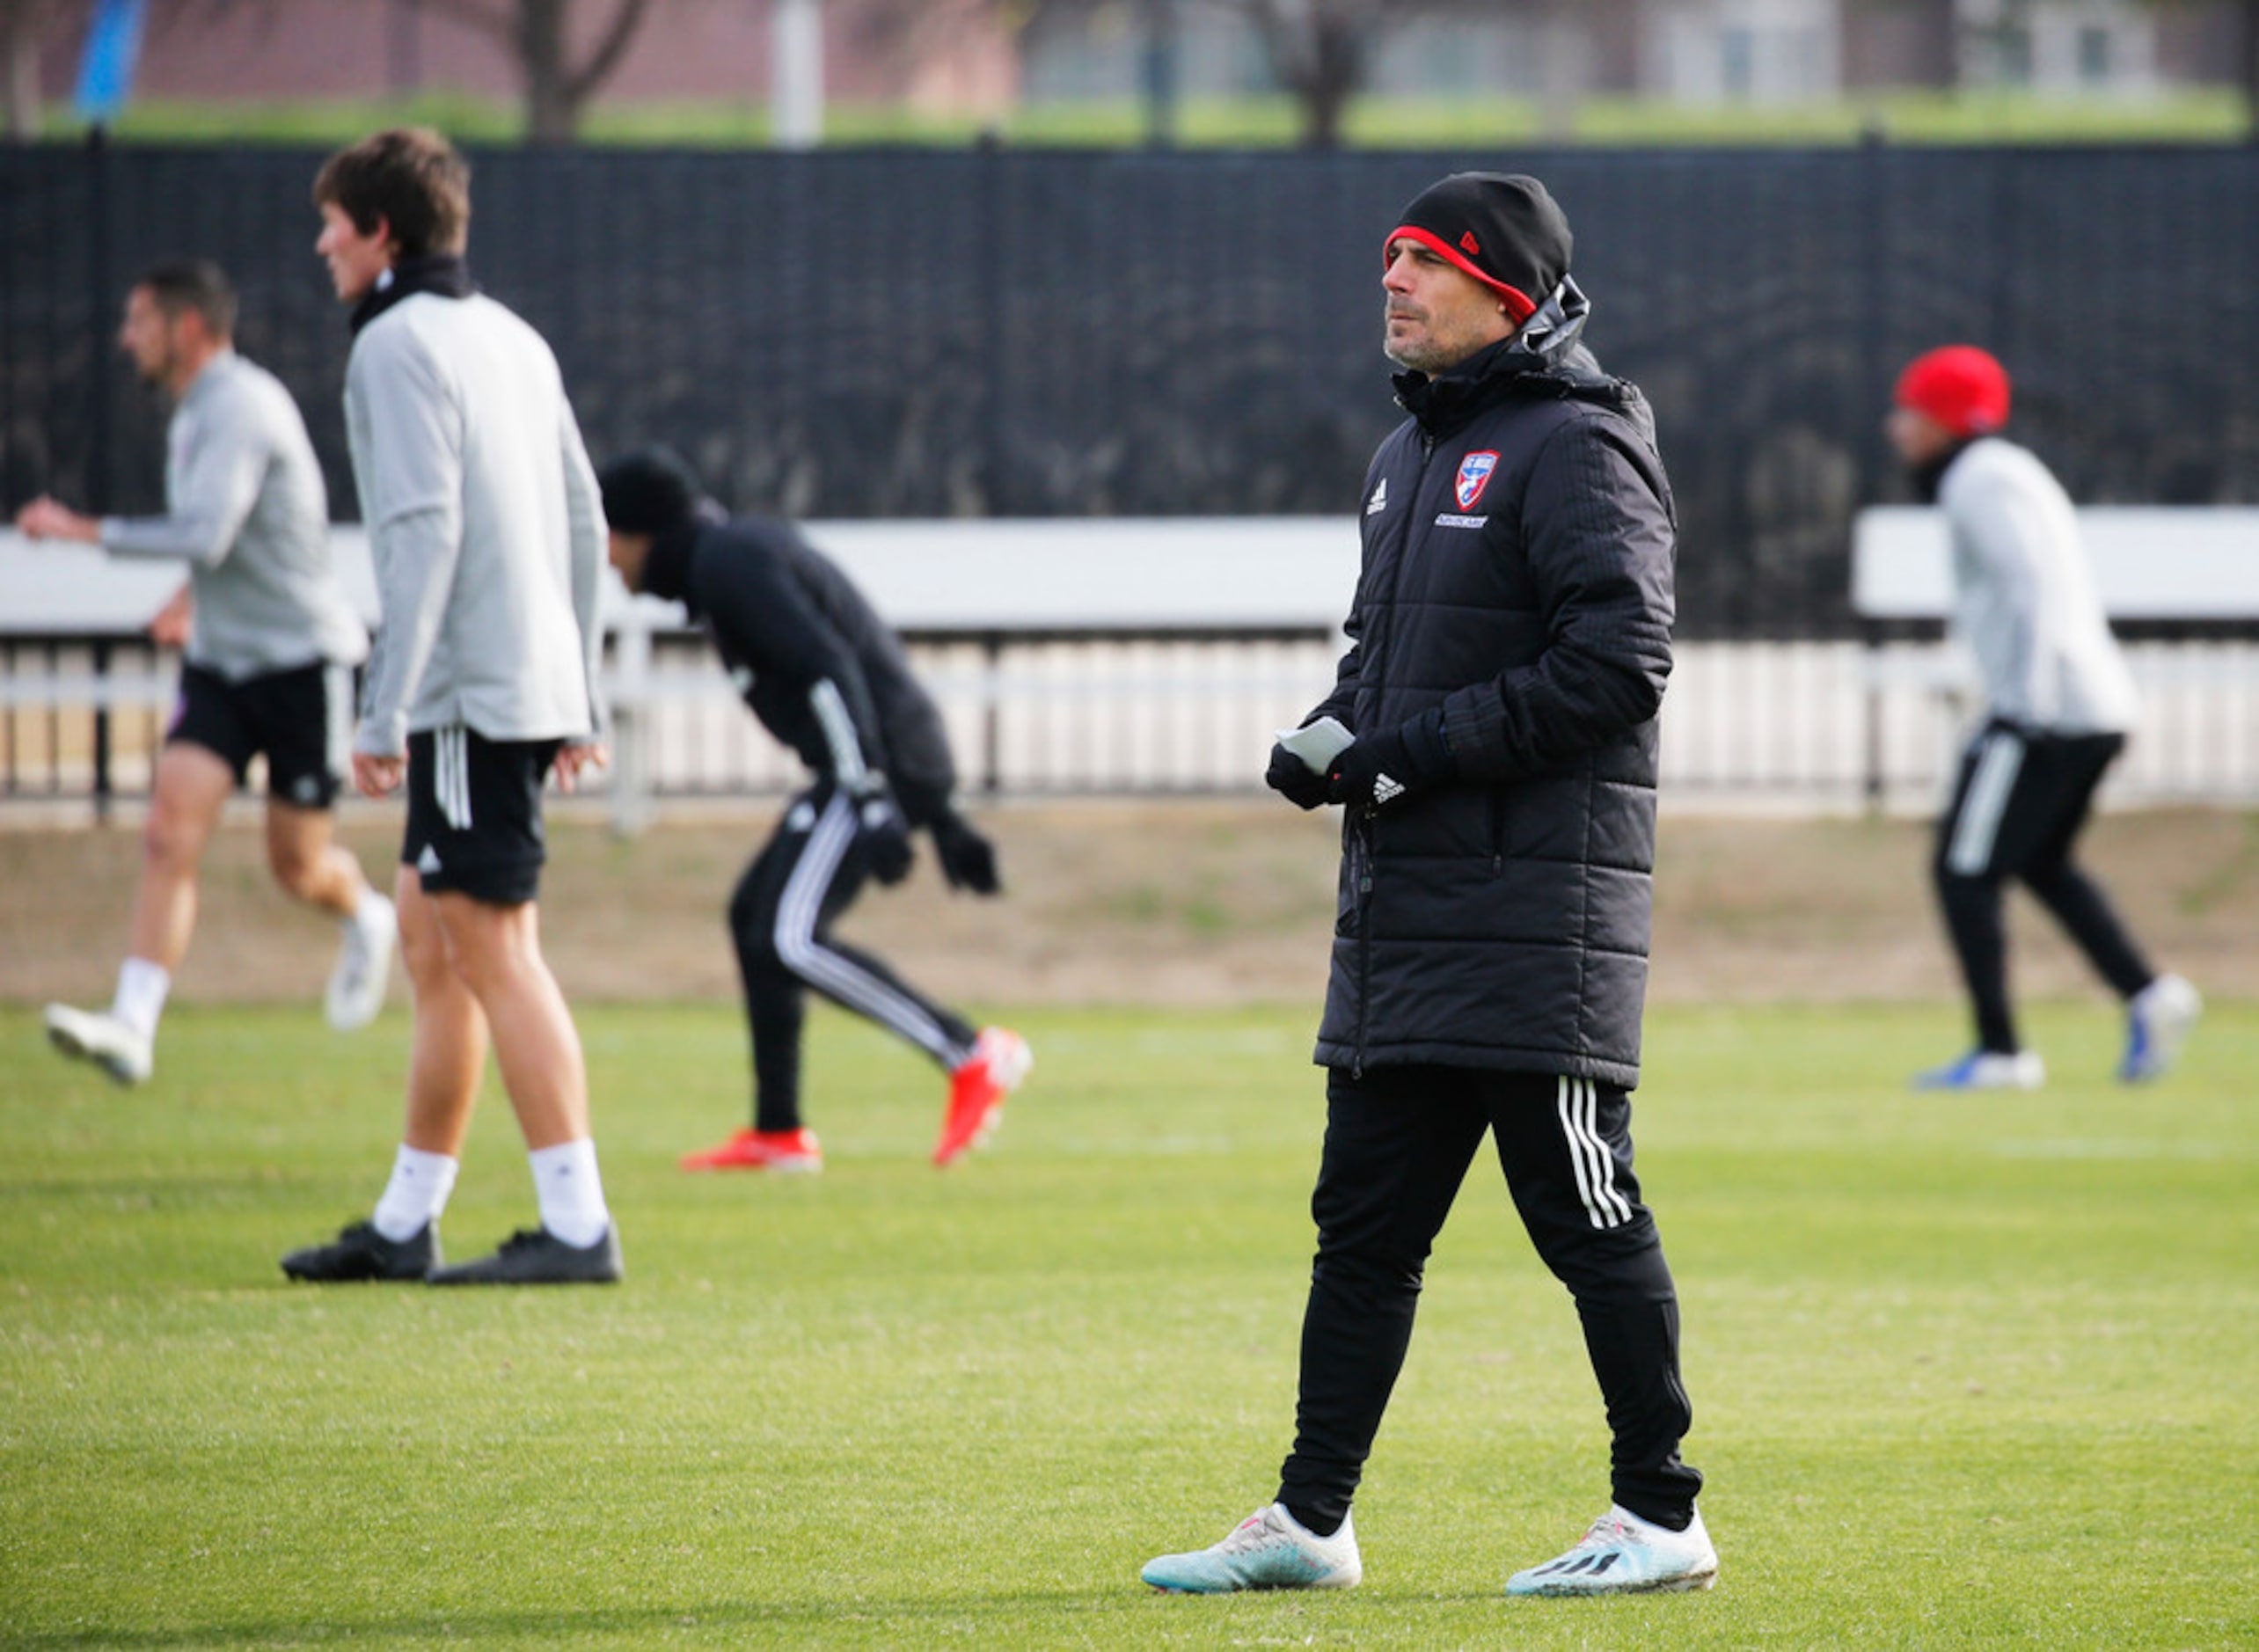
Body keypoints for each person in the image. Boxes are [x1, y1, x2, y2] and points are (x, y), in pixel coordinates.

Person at [1140, 174, 1714, 1599]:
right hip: (1406, 922)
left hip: (1533, 922)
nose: (1390, 285)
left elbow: (1615, 666)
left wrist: (1402, 755)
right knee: (1361, 1234)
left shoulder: (1578, 443)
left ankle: (1659, 1516)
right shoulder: (1409, 449)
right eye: (1387, 261)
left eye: (1424, 265)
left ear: (1504, 292)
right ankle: (1308, 1520)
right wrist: (1334, 735)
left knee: (1584, 1218)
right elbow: (1392, 662)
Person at [279, 128, 621, 1286]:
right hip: (518, 682)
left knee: (492, 945)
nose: (321, 241)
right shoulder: (513, 336)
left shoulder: (395, 344)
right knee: (429, 932)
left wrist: (384, 712)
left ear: (383, 234)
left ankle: (577, 1225)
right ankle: (406, 1219)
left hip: (467, 696)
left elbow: (423, 534)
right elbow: (582, 518)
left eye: (334, 221)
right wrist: (575, 687)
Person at [596, 447, 1029, 1173]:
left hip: (872, 766)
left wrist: (869, 794)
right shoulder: (728, 555)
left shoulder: (727, 561)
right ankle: (778, 1133)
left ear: (638, 531)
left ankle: (970, 1051)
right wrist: (944, 815)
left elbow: (830, 669)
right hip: (875, 762)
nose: (606, 561)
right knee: (754, 920)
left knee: (792, 938)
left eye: (606, 538)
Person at [18, 259, 393, 1087]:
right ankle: (134, 1025)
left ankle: (367, 914)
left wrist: (78, 529)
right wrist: (190, 600)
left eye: (140, 322)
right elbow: (238, 535)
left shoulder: (242, 406)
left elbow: (208, 531)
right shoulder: (193, 412)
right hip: (224, 662)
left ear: (186, 329)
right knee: (168, 830)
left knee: (297, 867)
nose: (126, 340)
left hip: (303, 664)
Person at [1889, 347, 2201, 1090]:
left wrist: (2020, 707)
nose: (1897, 427)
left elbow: (2030, 590)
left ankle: (2001, 1053)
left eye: (1911, 411)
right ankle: (2150, 996)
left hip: (2048, 714)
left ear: (1945, 418)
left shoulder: (1980, 478)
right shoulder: (1998, 473)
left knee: (1963, 868)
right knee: (2038, 862)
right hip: (2084, 707)